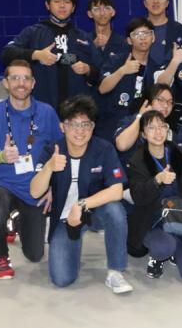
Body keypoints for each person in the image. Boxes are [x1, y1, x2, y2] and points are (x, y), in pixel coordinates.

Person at [30, 95, 132, 293]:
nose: (80, 131)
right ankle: (71, 245)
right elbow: (35, 191)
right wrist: (48, 168)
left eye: (85, 124)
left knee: (115, 211)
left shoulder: (103, 149)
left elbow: (117, 190)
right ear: (63, 127)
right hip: (65, 218)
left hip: (94, 212)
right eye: (73, 125)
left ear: (93, 127)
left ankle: (115, 272)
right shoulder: (52, 150)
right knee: (61, 279)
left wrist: (82, 204)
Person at [0, 60, 62, 279]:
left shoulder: (46, 112)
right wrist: (1, 156)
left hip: (35, 188)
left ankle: (14, 220)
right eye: (15, 78)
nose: (21, 83)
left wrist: (52, 186)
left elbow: (60, 150)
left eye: (26, 78)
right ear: (5, 83)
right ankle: (1, 257)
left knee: (35, 255)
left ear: (33, 83)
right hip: (3, 184)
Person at [124, 110, 182, 283]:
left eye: (162, 126)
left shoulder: (181, 155)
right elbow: (138, 197)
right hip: (154, 223)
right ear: (143, 134)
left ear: (167, 129)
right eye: (151, 128)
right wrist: (157, 181)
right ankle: (160, 255)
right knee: (163, 247)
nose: (158, 132)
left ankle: (176, 247)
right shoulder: (137, 161)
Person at [1, 0, 96, 109]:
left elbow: (99, 73)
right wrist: (36, 55)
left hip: (76, 111)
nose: (62, 6)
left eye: (67, 2)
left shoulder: (84, 37)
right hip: (41, 109)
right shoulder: (33, 32)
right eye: (57, 1)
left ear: (73, 7)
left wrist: (88, 69)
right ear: (47, 5)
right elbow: (6, 54)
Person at [97, 17, 159, 140]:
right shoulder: (117, 60)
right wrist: (122, 71)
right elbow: (102, 88)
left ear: (153, 37)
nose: (142, 38)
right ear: (129, 40)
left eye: (146, 33)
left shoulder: (156, 68)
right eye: (137, 34)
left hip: (141, 127)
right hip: (112, 125)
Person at [114, 83, 178, 165]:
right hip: (130, 170)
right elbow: (122, 145)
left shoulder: (168, 128)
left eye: (170, 102)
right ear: (148, 102)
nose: (166, 105)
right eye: (161, 100)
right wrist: (140, 117)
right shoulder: (131, 121)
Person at [143, 0, 182, 67]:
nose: (155, 1)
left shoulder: (179, 30)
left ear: (167, 3)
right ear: (145, 3)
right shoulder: (136, 29)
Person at [87, 0, 129, 68]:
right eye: (97, 9)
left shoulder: (123, 43)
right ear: (90, 14)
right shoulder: (83, 41)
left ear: (113, 12)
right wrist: (93, 46)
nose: (102, 13)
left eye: (107, 8)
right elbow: (73, 62)